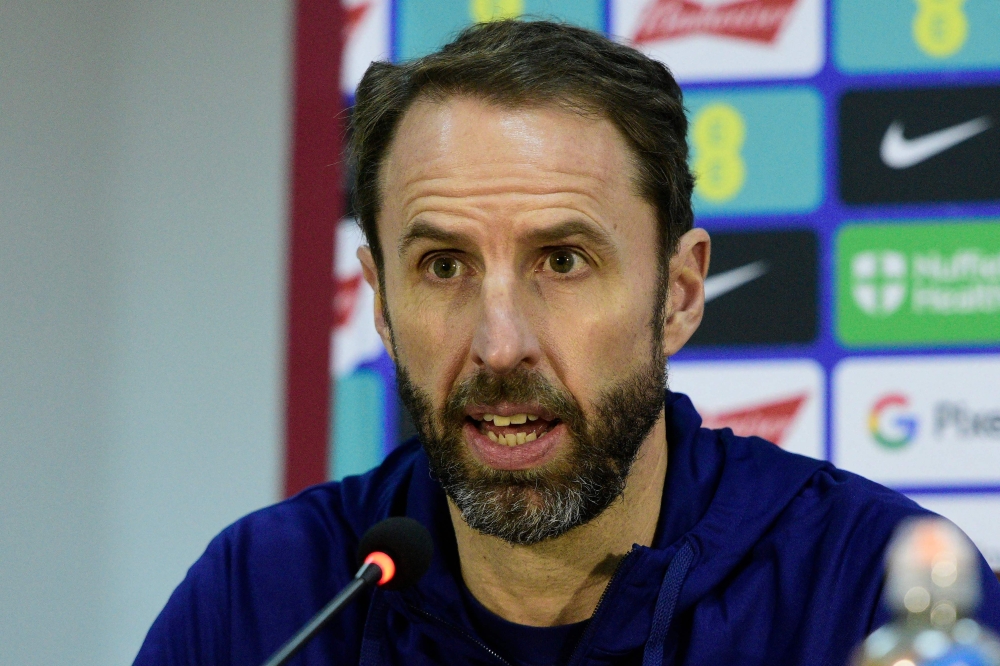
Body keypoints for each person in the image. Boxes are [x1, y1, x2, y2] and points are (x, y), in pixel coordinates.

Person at [134, 19, 1000, 666]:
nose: (499, 344)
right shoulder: (264, 602)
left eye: (563, 259)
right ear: (382, 303)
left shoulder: (867, 594)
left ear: (681, 294)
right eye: (443, 266)